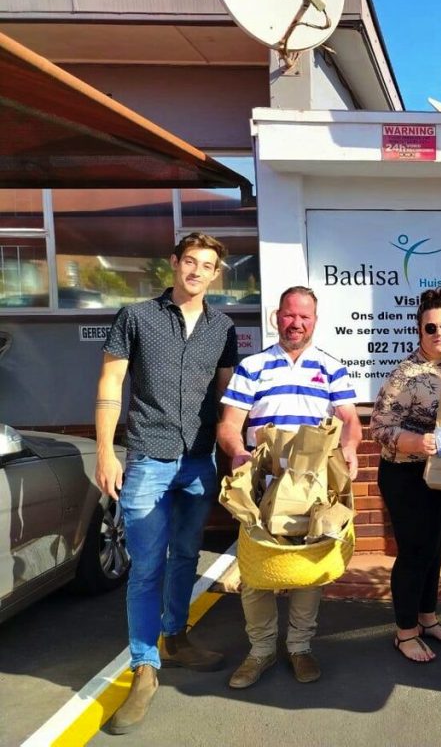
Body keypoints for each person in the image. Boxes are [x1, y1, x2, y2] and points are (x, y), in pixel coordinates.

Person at [95, 232, 239, 735]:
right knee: (147, 565)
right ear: (174, 264)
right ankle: (144, 665)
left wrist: (240, 447)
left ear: (217, 273)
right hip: (148, 458)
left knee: (185, 557)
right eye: (190, 262)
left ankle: (175, 637)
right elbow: (111, 382)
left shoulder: (223, 326)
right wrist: (106, 450)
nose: (197, 271)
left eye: (208, 265)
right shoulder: (136, 317)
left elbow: (228, 395)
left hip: (199, 462)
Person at [217, 286, 362, 689]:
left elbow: (350, 418)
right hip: (261, 484)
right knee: (256, 570)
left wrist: (350, 446)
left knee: (307, 568)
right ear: (275, 317)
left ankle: (299, 647)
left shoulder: (331, 367)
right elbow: (230, 424)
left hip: (311, 485)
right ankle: (261, 651)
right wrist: (238, 452)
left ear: (315, 321)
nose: (296, 323)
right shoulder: (253, 366)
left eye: (305, 317)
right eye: (289, 315)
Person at [369, 289, 441, 663]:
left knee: (435, 547)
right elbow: (378, 428)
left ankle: (427, 619)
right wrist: (415, 440)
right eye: (430, 327)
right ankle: (405, 632)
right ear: (419, 330)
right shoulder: (405, 375)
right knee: (414, 552)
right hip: (406, 476)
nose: (438, 332)